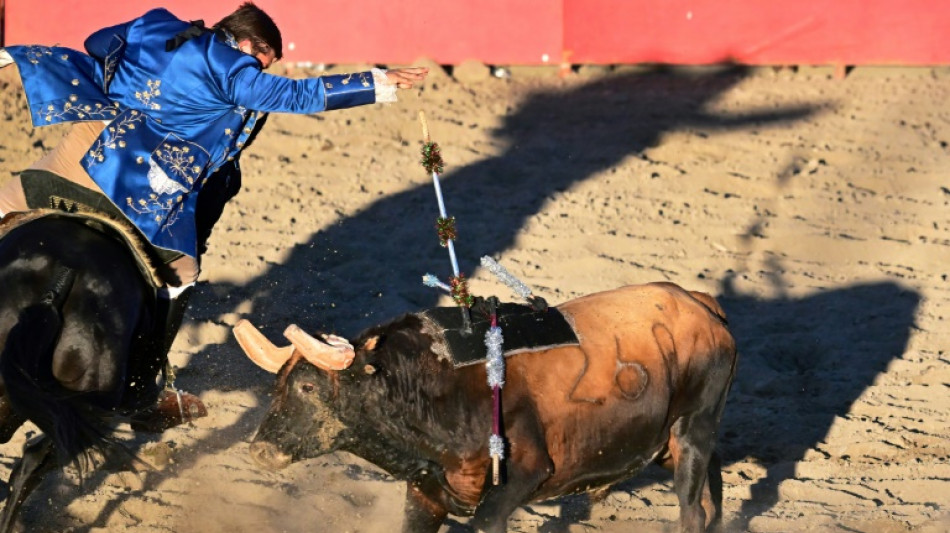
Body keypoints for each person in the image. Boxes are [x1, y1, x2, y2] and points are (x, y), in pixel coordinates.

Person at [0, 2, 427, 428]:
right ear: (245, 44)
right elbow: (299, 95)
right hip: (137, 199)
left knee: (5, 204)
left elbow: (97, 44)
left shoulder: (154, 23)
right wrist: (380, 82)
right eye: (263, 62)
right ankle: (144, 387)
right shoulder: (233, 71)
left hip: (72, 167)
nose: (260, 71)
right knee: (184, 274)